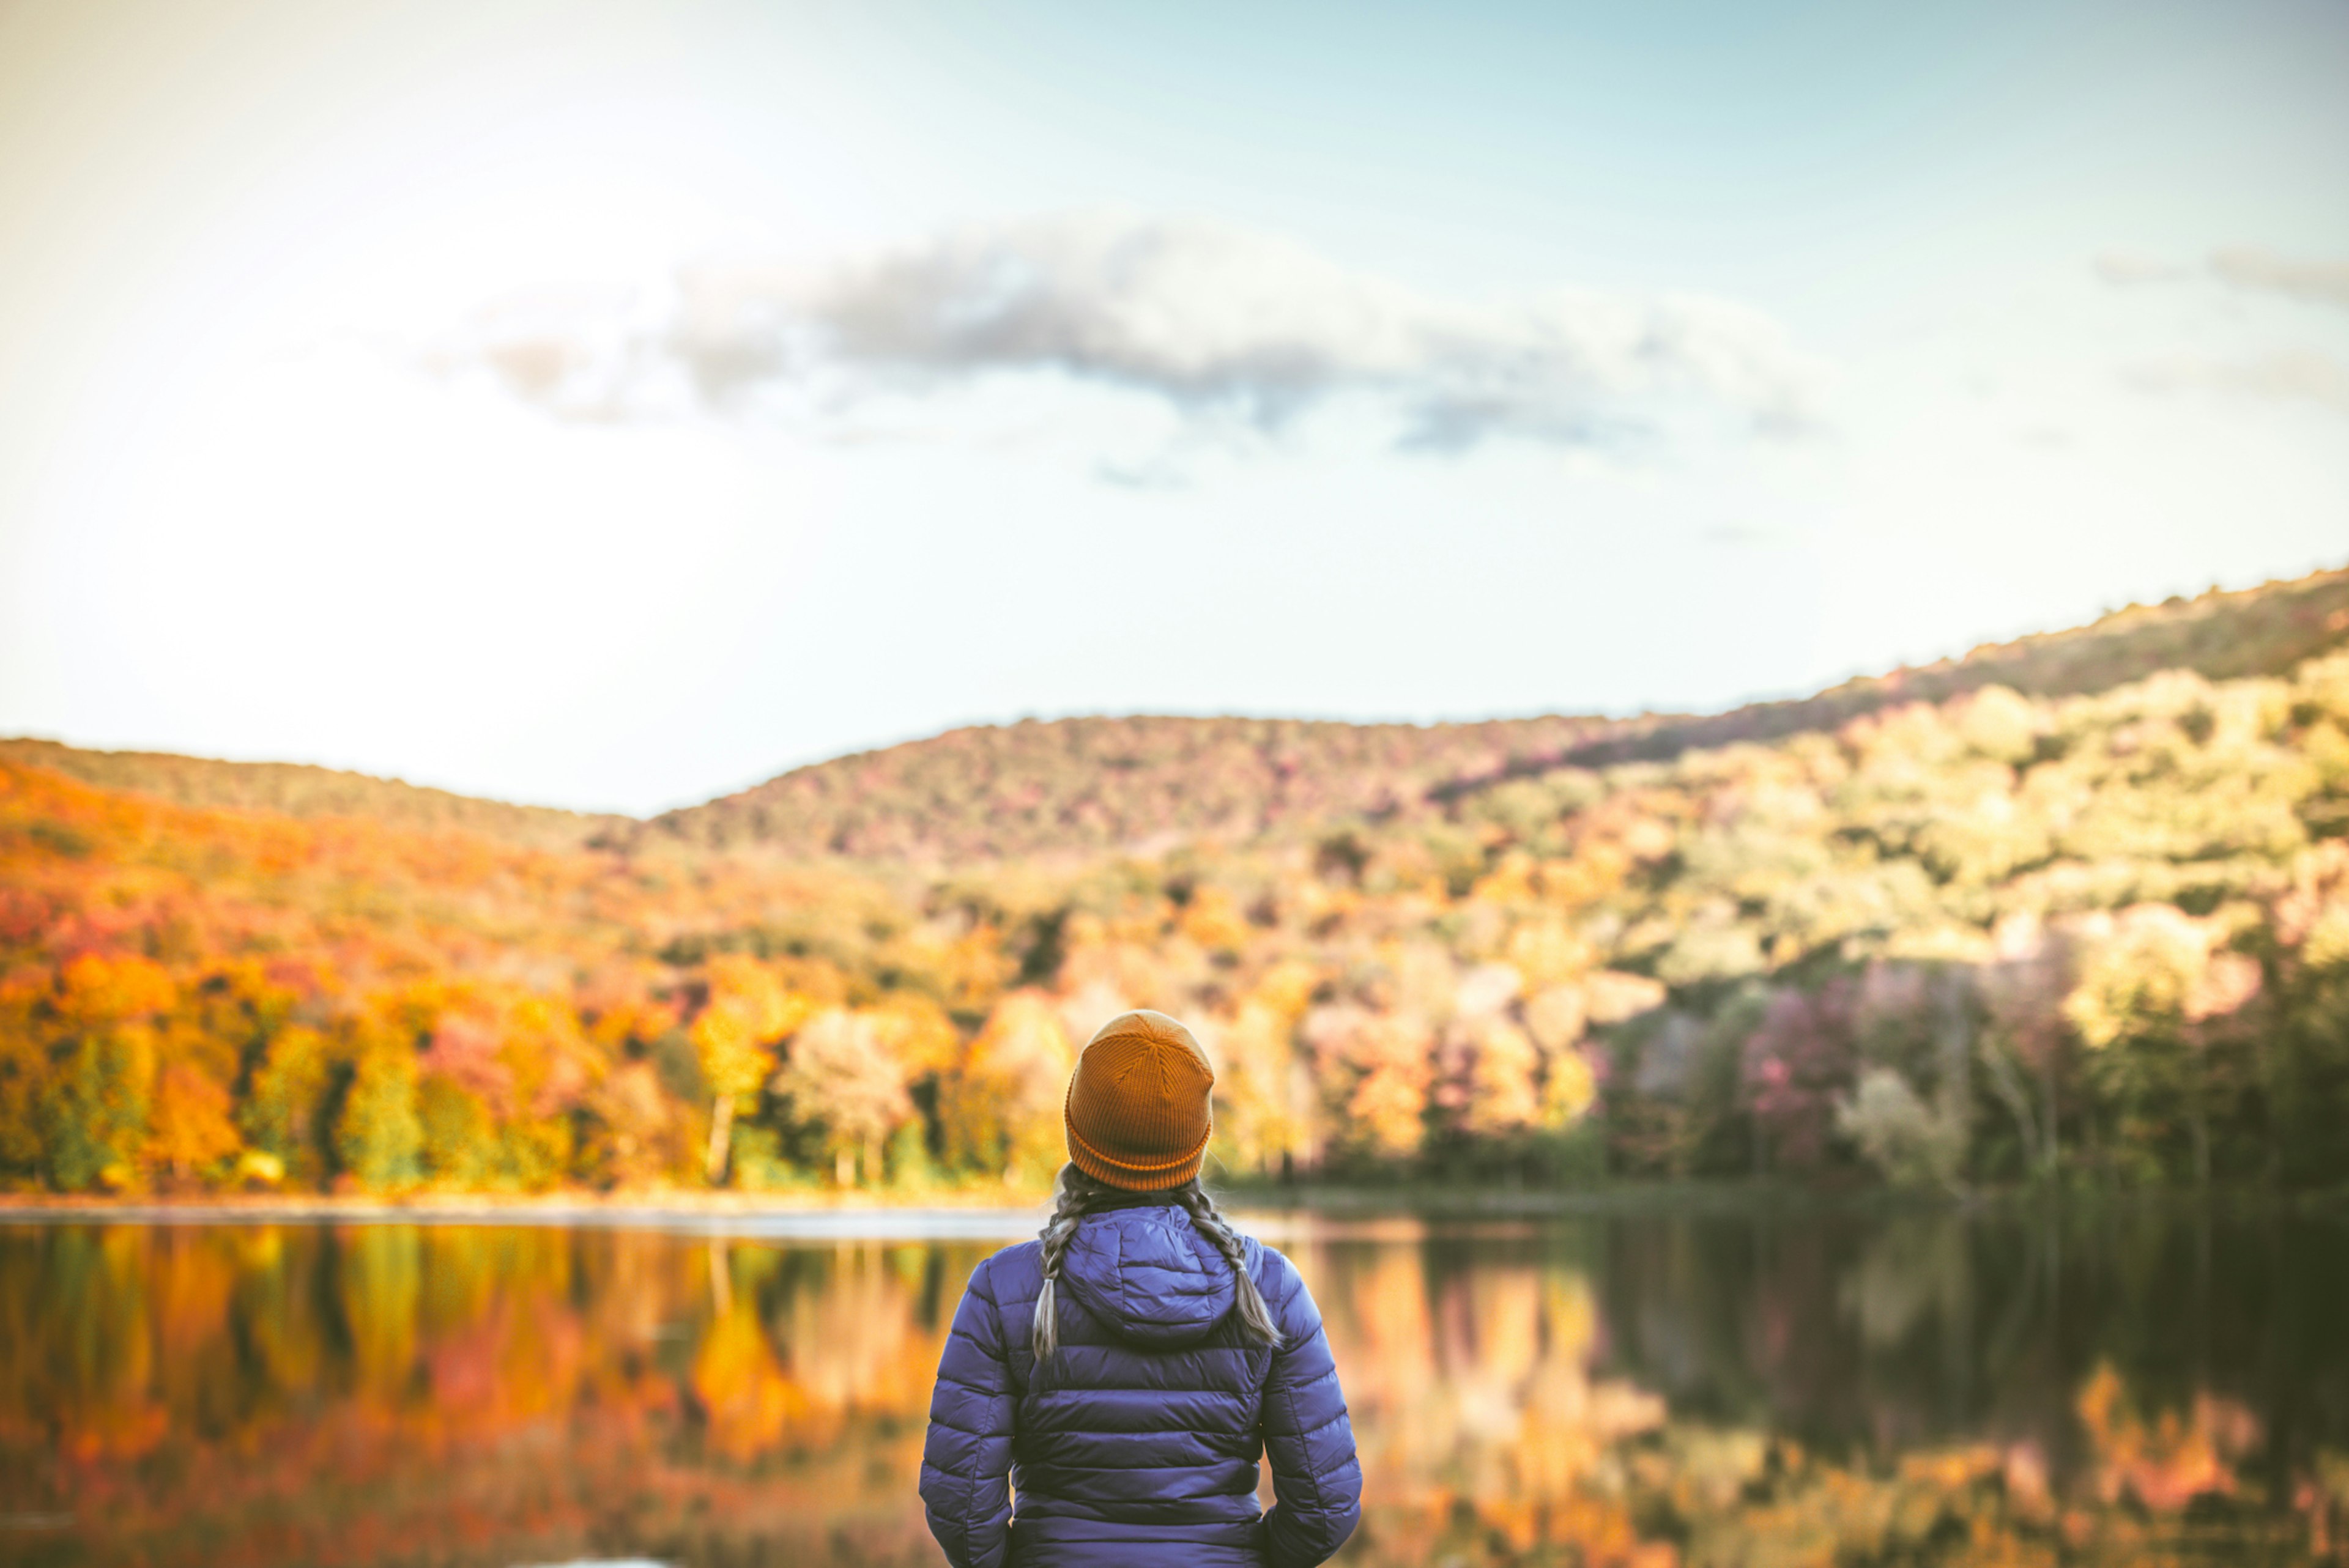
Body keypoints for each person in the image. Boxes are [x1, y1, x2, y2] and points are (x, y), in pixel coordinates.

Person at [919, 1009, 1362, 1568]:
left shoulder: (1006, 1288)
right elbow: (1326, 1508)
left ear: (1078, 1135)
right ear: (1197, 1143)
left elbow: (960, 1506)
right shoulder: (1269, 1285)